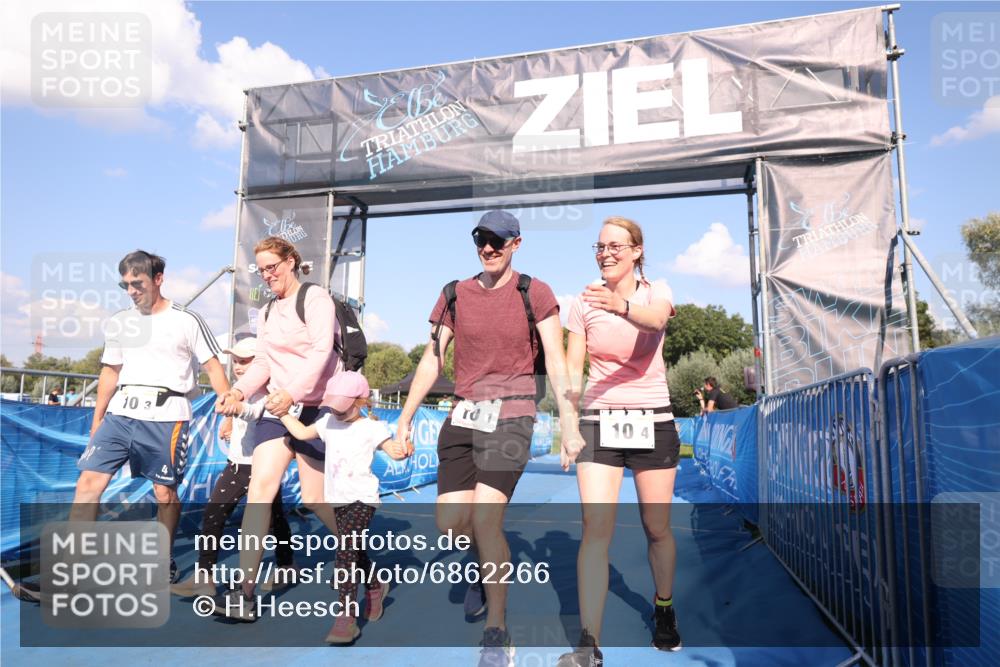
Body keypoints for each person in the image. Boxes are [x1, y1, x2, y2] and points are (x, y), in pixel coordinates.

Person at [393, 210, 584, 667]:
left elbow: (556, 360)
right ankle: (485, 569)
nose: (489, 248)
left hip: (514, 411)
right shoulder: (452, 294)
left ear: (516, 244)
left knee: (485, 519)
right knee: (449, 523)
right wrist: (404, 418)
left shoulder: (533, 291)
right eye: (482, 239)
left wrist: (569, 422)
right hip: (464, 413)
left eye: (499, 241)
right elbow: (431, 360)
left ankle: (497, 633)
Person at [559, 216, 682, 666]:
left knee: (656, 527)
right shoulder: (583, 301)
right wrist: (568, 425)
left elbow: (653, 322)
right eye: (599, 246)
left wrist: (620, 305)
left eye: (616, 246)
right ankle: (589, 643)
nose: (606, 253)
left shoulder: (656, 291)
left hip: (653, 418)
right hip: (599, 420)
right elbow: (573, 367)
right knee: (595, 530)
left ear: (636, 250)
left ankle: (664, 607)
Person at [73, 250, 230, 583]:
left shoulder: (187, 320)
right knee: (87, 483)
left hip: (166, 416)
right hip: (120, 414)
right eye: (125, 284)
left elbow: (214, 368)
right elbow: (109, 373)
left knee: (164, 494)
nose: (131, 290)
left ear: (158, 279)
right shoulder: (119, 321)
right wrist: (97, 419)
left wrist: (228, 411)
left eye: (137, 282)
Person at [213, 236, 341, 621]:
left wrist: (293, 393)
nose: (267, 274)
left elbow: (321, 352)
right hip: (277, 409)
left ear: (291, 261)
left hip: (316, 406)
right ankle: (245, 592)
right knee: (260, 491)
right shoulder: (267, 311)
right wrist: (237, 390)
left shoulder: (316, 299)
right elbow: (264, 361)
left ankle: (358, 558)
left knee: (316, 499)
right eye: (261, 269)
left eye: (272, 266)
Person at [279, 371, 409, 644]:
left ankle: (346, 618)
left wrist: (402, 448)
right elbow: (302, 432)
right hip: (337, 498)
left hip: (363, 498)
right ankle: (375, 585)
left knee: (345, 551)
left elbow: (393, 450)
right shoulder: (327, 422)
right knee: (353, 549)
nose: (337, 412)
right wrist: (282, 413)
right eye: (334, 406)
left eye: (342, 407)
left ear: (361, 401)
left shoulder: (372, 428)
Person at [170, 337, 295, 597]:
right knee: (269, 516)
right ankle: (283, 565)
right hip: (239, 462)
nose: (238, 367)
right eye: (236, 361)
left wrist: (237, 408)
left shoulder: (268, 389)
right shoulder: (242, 388)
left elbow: (255, 412)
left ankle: (283, 566)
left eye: (245, 361)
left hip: (256, 466)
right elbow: (239, 412)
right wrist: (230, 417)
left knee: (224, 515)